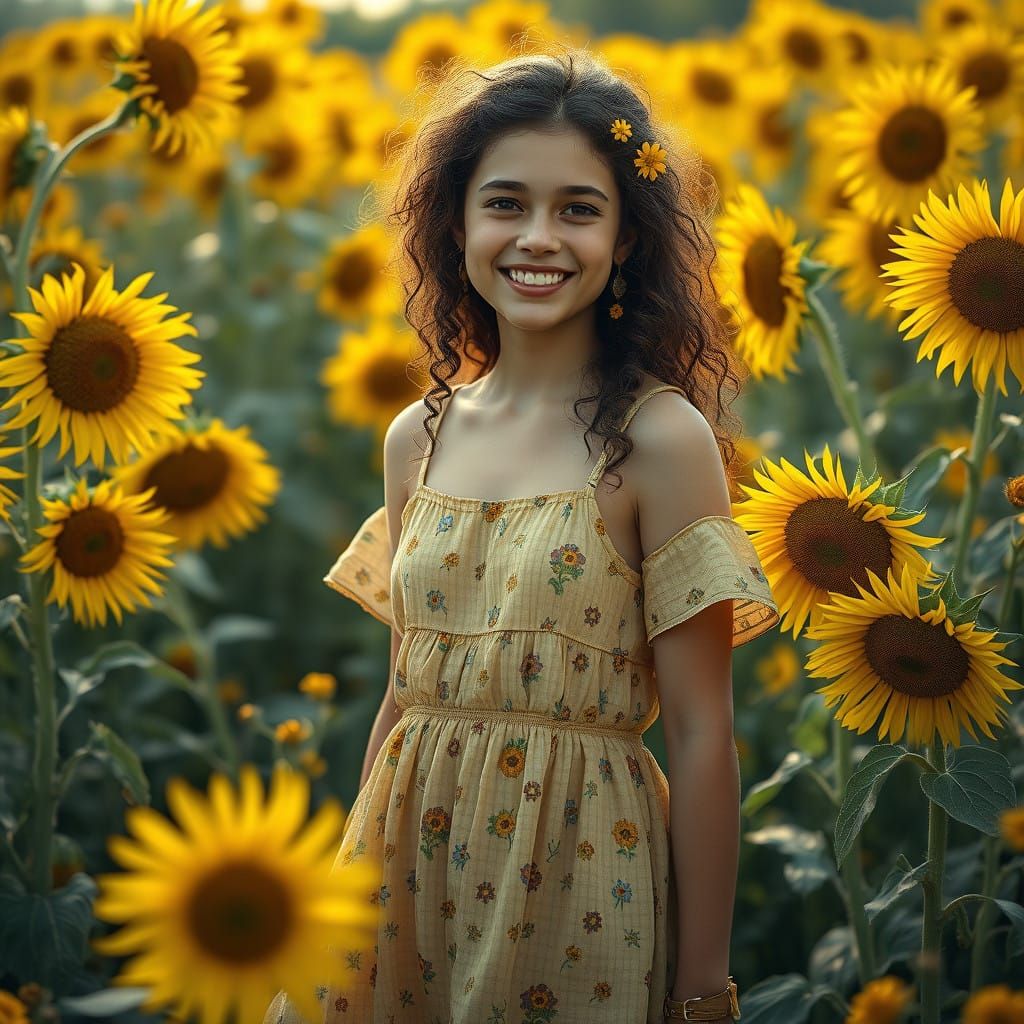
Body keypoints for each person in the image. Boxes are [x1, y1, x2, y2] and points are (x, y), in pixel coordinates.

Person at [264, 42, 779, 1024]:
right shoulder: (417, 436)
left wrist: (703, 990)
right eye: (505, 203)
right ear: (454, 221)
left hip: (578, 877)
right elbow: (404, 693)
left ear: (625, 238)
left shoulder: (659, 437)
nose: (537, 236)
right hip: (398, 872)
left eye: (577, 209)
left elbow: (704, 732)